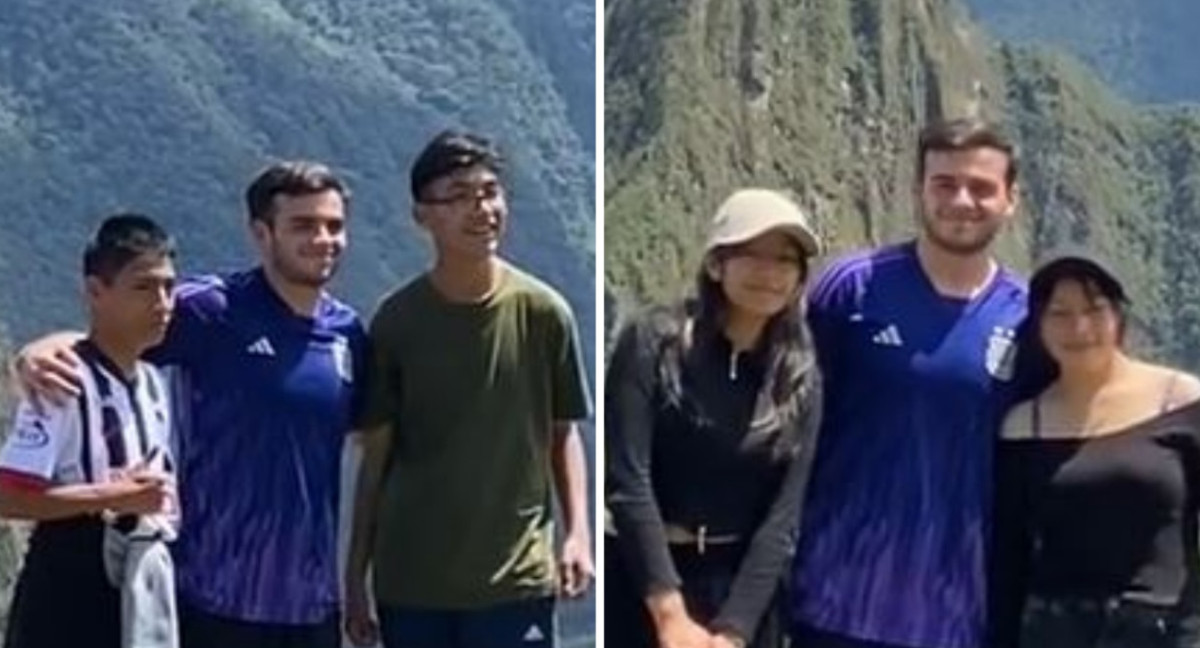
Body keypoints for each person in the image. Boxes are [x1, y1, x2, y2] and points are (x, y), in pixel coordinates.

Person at [14, 162, 368, 648]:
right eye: (303, 225)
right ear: (262, 234)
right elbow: (119, 328)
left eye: (334, 225)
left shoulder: (348, 333)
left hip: (311, 607)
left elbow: (369, 446)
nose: (323, 239)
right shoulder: (211, 308)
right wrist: (40, 350)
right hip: (210, 600)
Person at [788, 117, 1034, 648]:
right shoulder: (852, 288)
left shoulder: (1030, 318)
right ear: (918, 189)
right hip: (834, 604)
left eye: (982, 188)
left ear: (1011, 199)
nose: (961, 201)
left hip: (963, 616)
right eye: (944, 184)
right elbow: (783, 422)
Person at [343, 130, 593, 648]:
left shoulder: (543, 313)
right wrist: (354, 581)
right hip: (413, 582)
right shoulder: (397, 322)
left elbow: (562, 431)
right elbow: (375, 460)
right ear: (422, 216)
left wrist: (578, 534)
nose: (481, 209)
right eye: (457, 197)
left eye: (489, 192)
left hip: (516, 578)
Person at [605, 188, 824, 648]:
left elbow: (782, 518)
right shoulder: (654, 344)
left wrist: (734, 631)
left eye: (785, 259)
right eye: (752, 255)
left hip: (742, 595)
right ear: (715, 264)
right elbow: (627, 482)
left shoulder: (799, 376)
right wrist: (669, 615)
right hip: (643, 584)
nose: (770, 273)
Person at [990, 255, 1200, 647]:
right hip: (1054, 630)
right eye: (1060, 313)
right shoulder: (1023, 424)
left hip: (1158, 629)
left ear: (1119, 315)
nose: (1079, 327)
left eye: (1094, 309)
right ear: (1039, 324)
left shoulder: (1182, 402)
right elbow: (1009, 558)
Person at [0, 214, 177, 648]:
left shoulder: (155, 381)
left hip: (136, 575)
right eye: (143, 288)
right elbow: (9, 497)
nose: (162, 303)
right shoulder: (60, 380)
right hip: (68, 584)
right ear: (96, 292)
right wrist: (113, 497)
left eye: (168, 287)